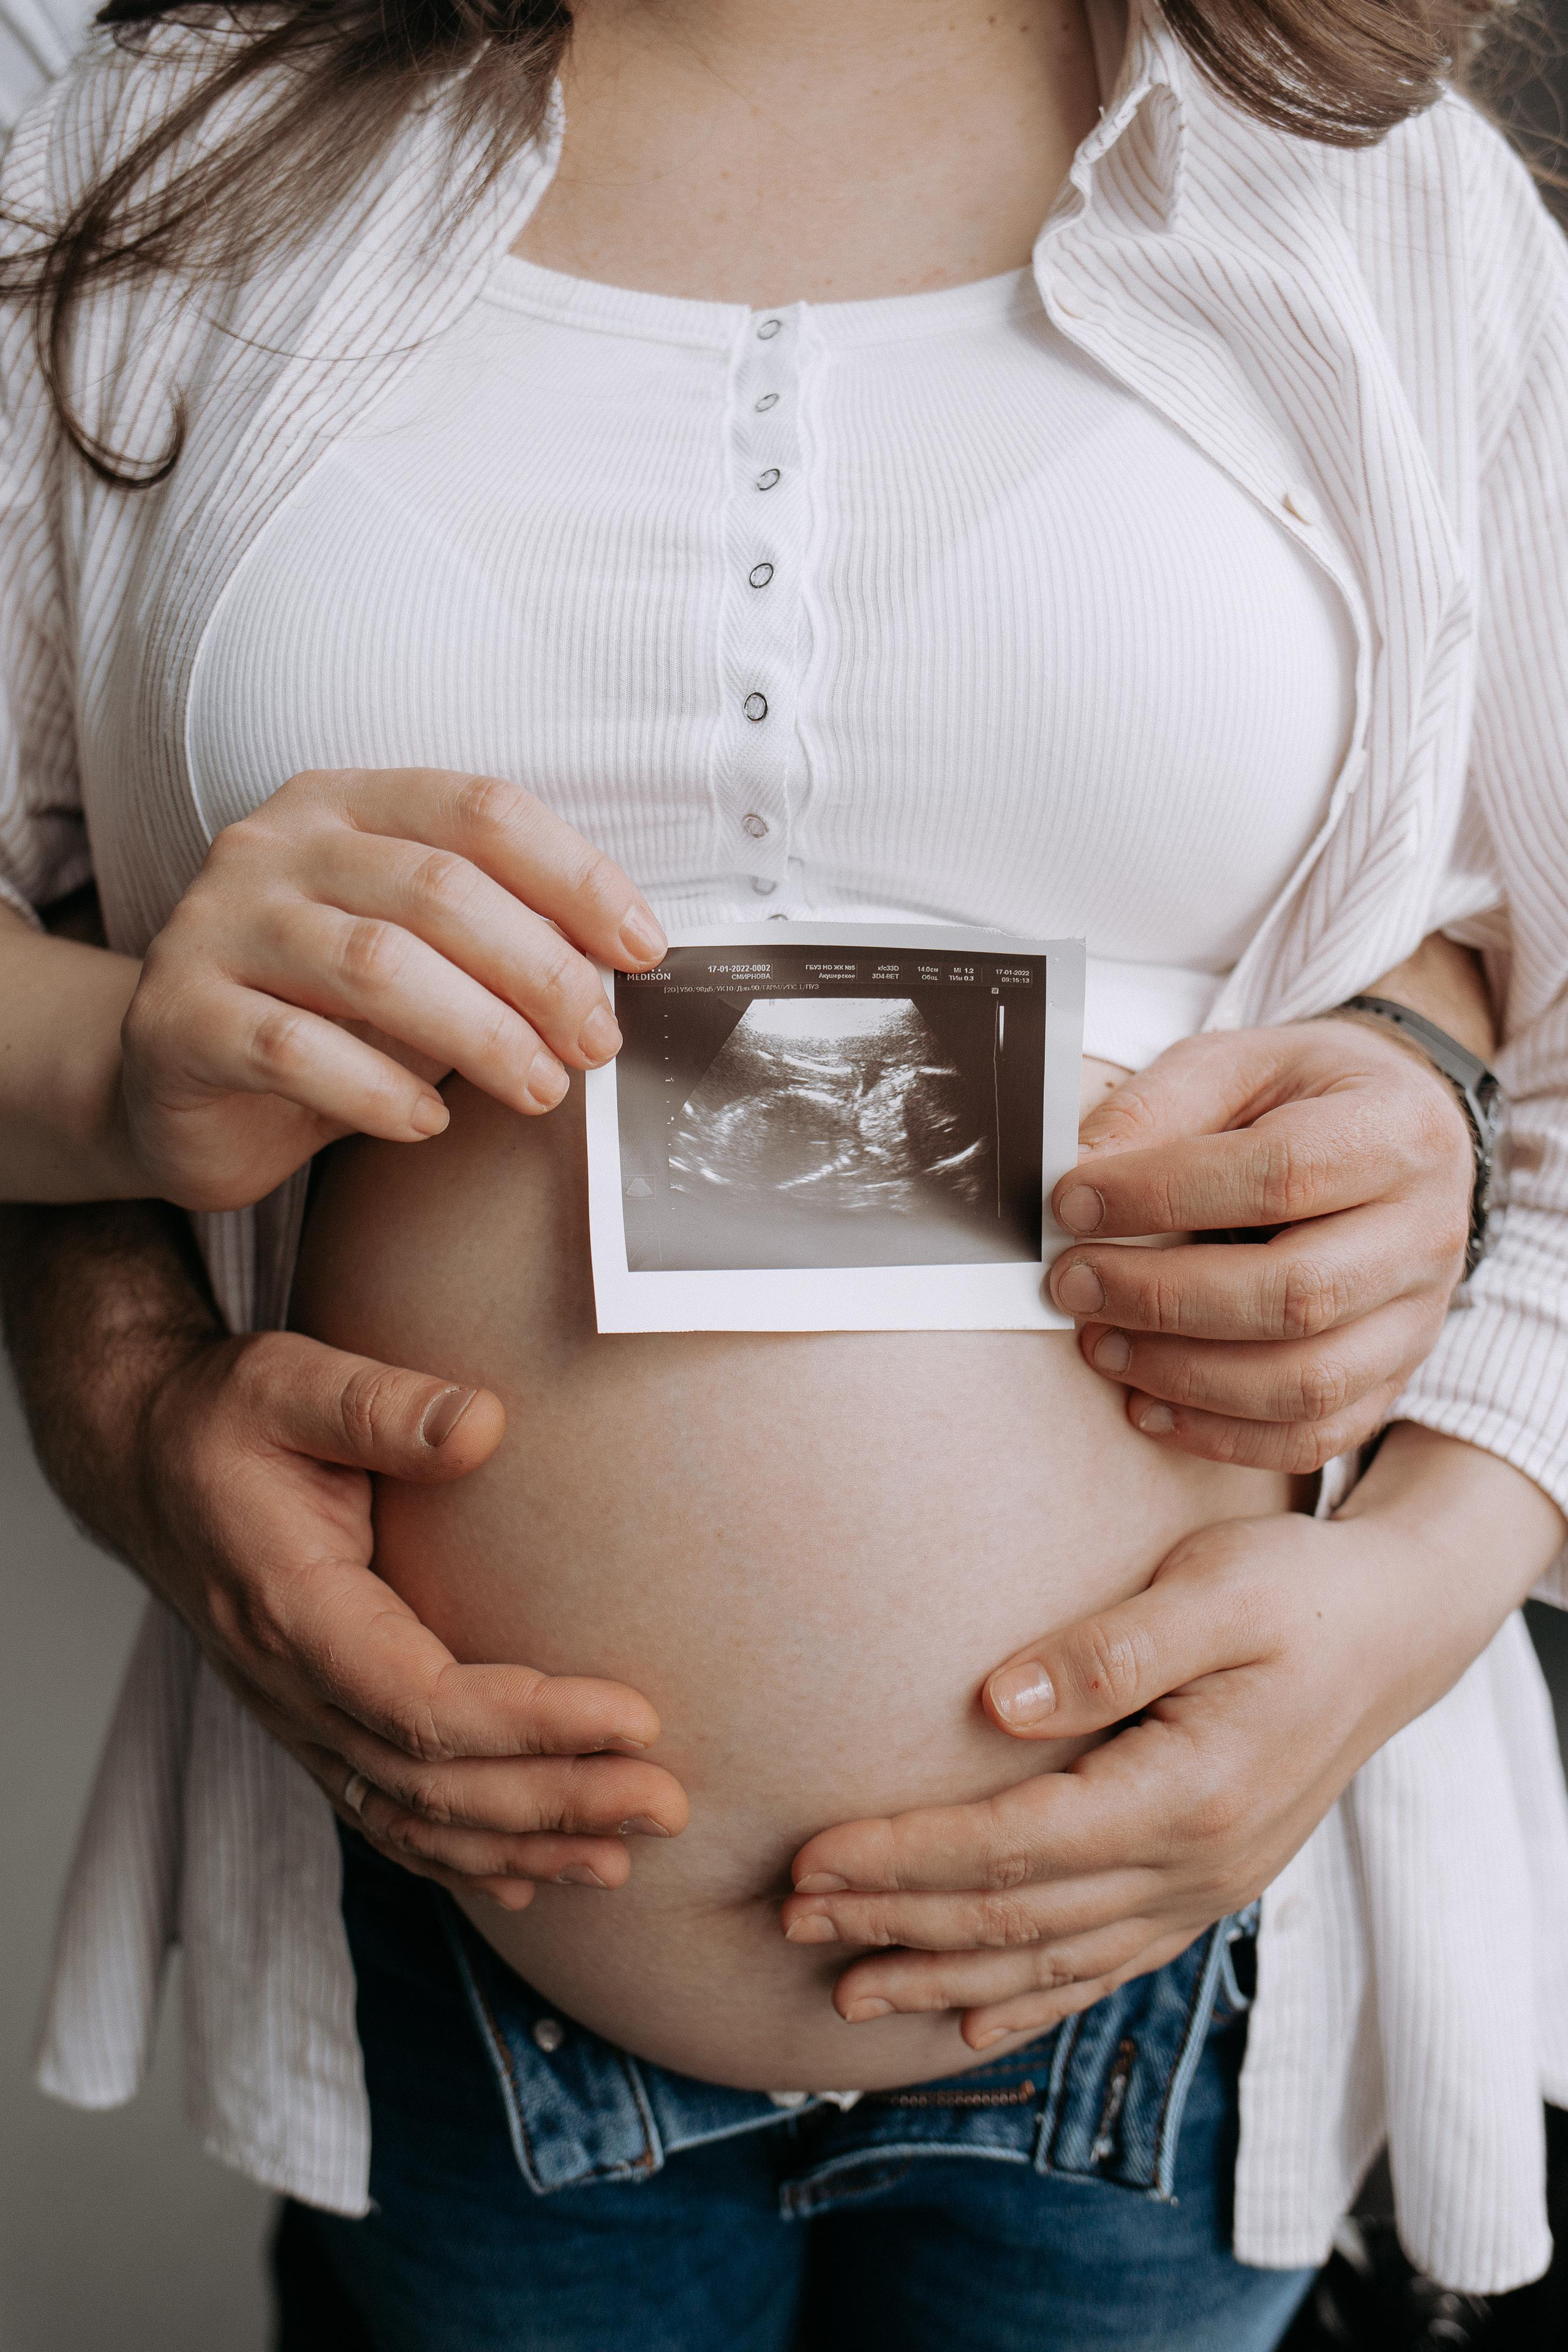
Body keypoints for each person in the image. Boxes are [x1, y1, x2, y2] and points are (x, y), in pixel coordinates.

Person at [1, 0, 1567, 2345]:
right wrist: (128, 1151)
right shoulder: (136, 125)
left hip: (1179, 1947)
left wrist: (1428, 1582)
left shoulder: (1369, 181)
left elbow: (1528, 963)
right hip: (446, 1919)